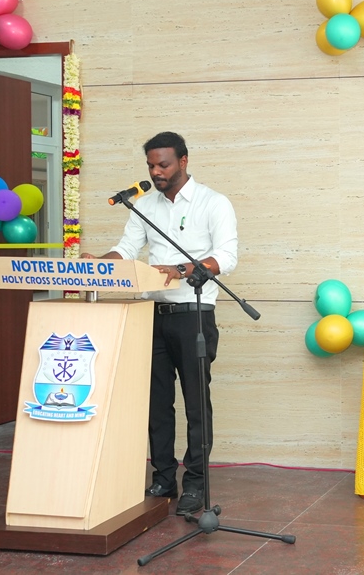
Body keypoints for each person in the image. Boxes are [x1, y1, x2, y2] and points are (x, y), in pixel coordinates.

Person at [81, 131, 238, 517]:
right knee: (156, 403)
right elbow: (126, 249)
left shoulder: (213, 202)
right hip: (151, 315)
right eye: (151, 165)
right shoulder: (144, 205)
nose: (156, 171)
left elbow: (226, 256)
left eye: (163, 164)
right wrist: (98, 264)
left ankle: (196, 484)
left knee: (196, 405)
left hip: (193, 315)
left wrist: (181, 269)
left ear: (183, 161)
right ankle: (164, 478)